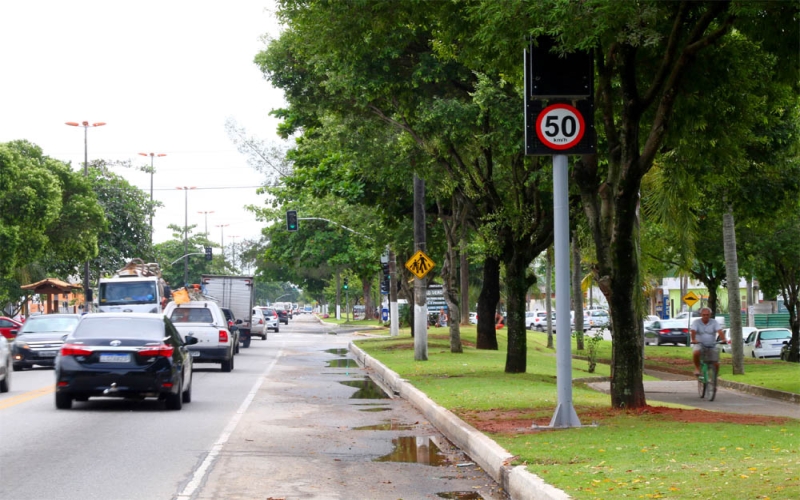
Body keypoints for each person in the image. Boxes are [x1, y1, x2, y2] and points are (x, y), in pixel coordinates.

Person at [690, 307, 724, 376]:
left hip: (712, 345)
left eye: (707, 315)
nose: (706, 316)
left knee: (716, 363)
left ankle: (715, 379)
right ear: (701, 315)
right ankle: (697, 368)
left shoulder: (714, 322)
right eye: (704, 314)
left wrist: (724, 339)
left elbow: (720, 331)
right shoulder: (696, 322)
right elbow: (693, 331)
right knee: (696, 352)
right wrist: (693, 339)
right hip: (699, 344)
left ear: (710, 315)